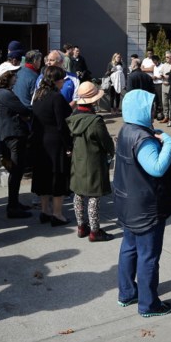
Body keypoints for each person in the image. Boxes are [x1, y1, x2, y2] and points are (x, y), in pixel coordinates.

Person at [113, 88, 171, 318]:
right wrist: (168, 142)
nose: (153, 110)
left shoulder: (126, 129)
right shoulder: (143, 139)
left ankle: (127, 292)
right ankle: (149, 304)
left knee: (129, 248)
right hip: (146, 208)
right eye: (149, 107)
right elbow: (157, 168)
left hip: (129, 204)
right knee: (148, 255)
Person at [67, 81, 115, 241]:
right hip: (94, 160)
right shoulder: (95, 121)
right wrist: (112, 150)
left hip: (78, 159)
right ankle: (95, 231)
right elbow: (106, 142)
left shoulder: (73, 118)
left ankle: (81, 226)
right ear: (94, 100)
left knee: (78, 193)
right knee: (94, 195)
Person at [30, 65, 74, 225]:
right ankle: (57, 213)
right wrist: (69, 145)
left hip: (40, 141)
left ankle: (45, 211)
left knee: (43, 175)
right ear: (57, 80)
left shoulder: (38, 95)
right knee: (58, 176)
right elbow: (62, 124)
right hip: (55, 141)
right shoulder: (57, 97)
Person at [0, 62, 34, 218]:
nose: (16, 77)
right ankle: (12, 206)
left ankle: (15, 203)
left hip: (13, 134)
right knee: (16, 171)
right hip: (14, 135)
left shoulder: (5, 92)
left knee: (17, 171)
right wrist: (30, 110)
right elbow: (24, 110)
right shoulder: (6, 94)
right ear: (7, 76)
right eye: (13, 74)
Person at [155, 51, 171, 122]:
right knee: (164, 102)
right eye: (166, 57)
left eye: (168, 57)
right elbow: (161, 73)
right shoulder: (164, 65)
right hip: (164, 85)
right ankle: (166, 116)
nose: (167, 58)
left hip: (170, 86)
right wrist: (161, 76)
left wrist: (168, 77)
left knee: (170, 102)